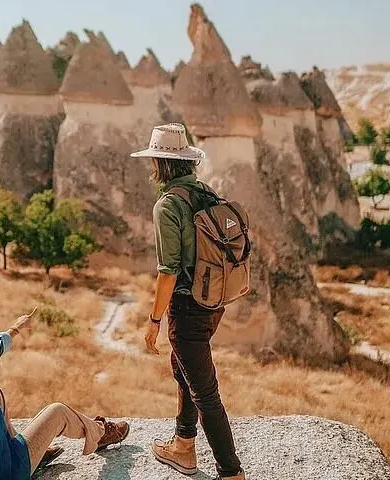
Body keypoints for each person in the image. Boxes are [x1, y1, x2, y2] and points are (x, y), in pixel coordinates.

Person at [130, 124, 245, 479]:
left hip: (187, 307)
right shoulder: (206, 194)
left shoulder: (168, 205)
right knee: (183, 369)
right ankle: (183, 445)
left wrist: (154, 321)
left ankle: (231, 471)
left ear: (160, 165)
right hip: (214, 302)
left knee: (205, 392)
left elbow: (168, 271)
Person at [0, 309, 130, 480]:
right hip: (11, 471)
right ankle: (100, 434)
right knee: (58, 411)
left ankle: (34, 449)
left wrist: (16, 328)